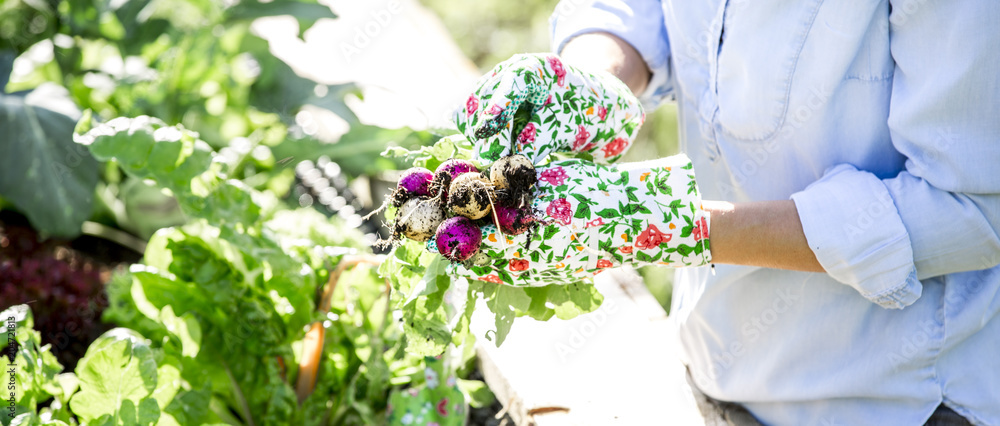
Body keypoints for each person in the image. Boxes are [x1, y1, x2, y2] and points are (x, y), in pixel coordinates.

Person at [449, 0, 1000, 424]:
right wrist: (587, 87)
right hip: (715, 356)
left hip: (892, 399)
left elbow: (969, 208)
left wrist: (671, 225)